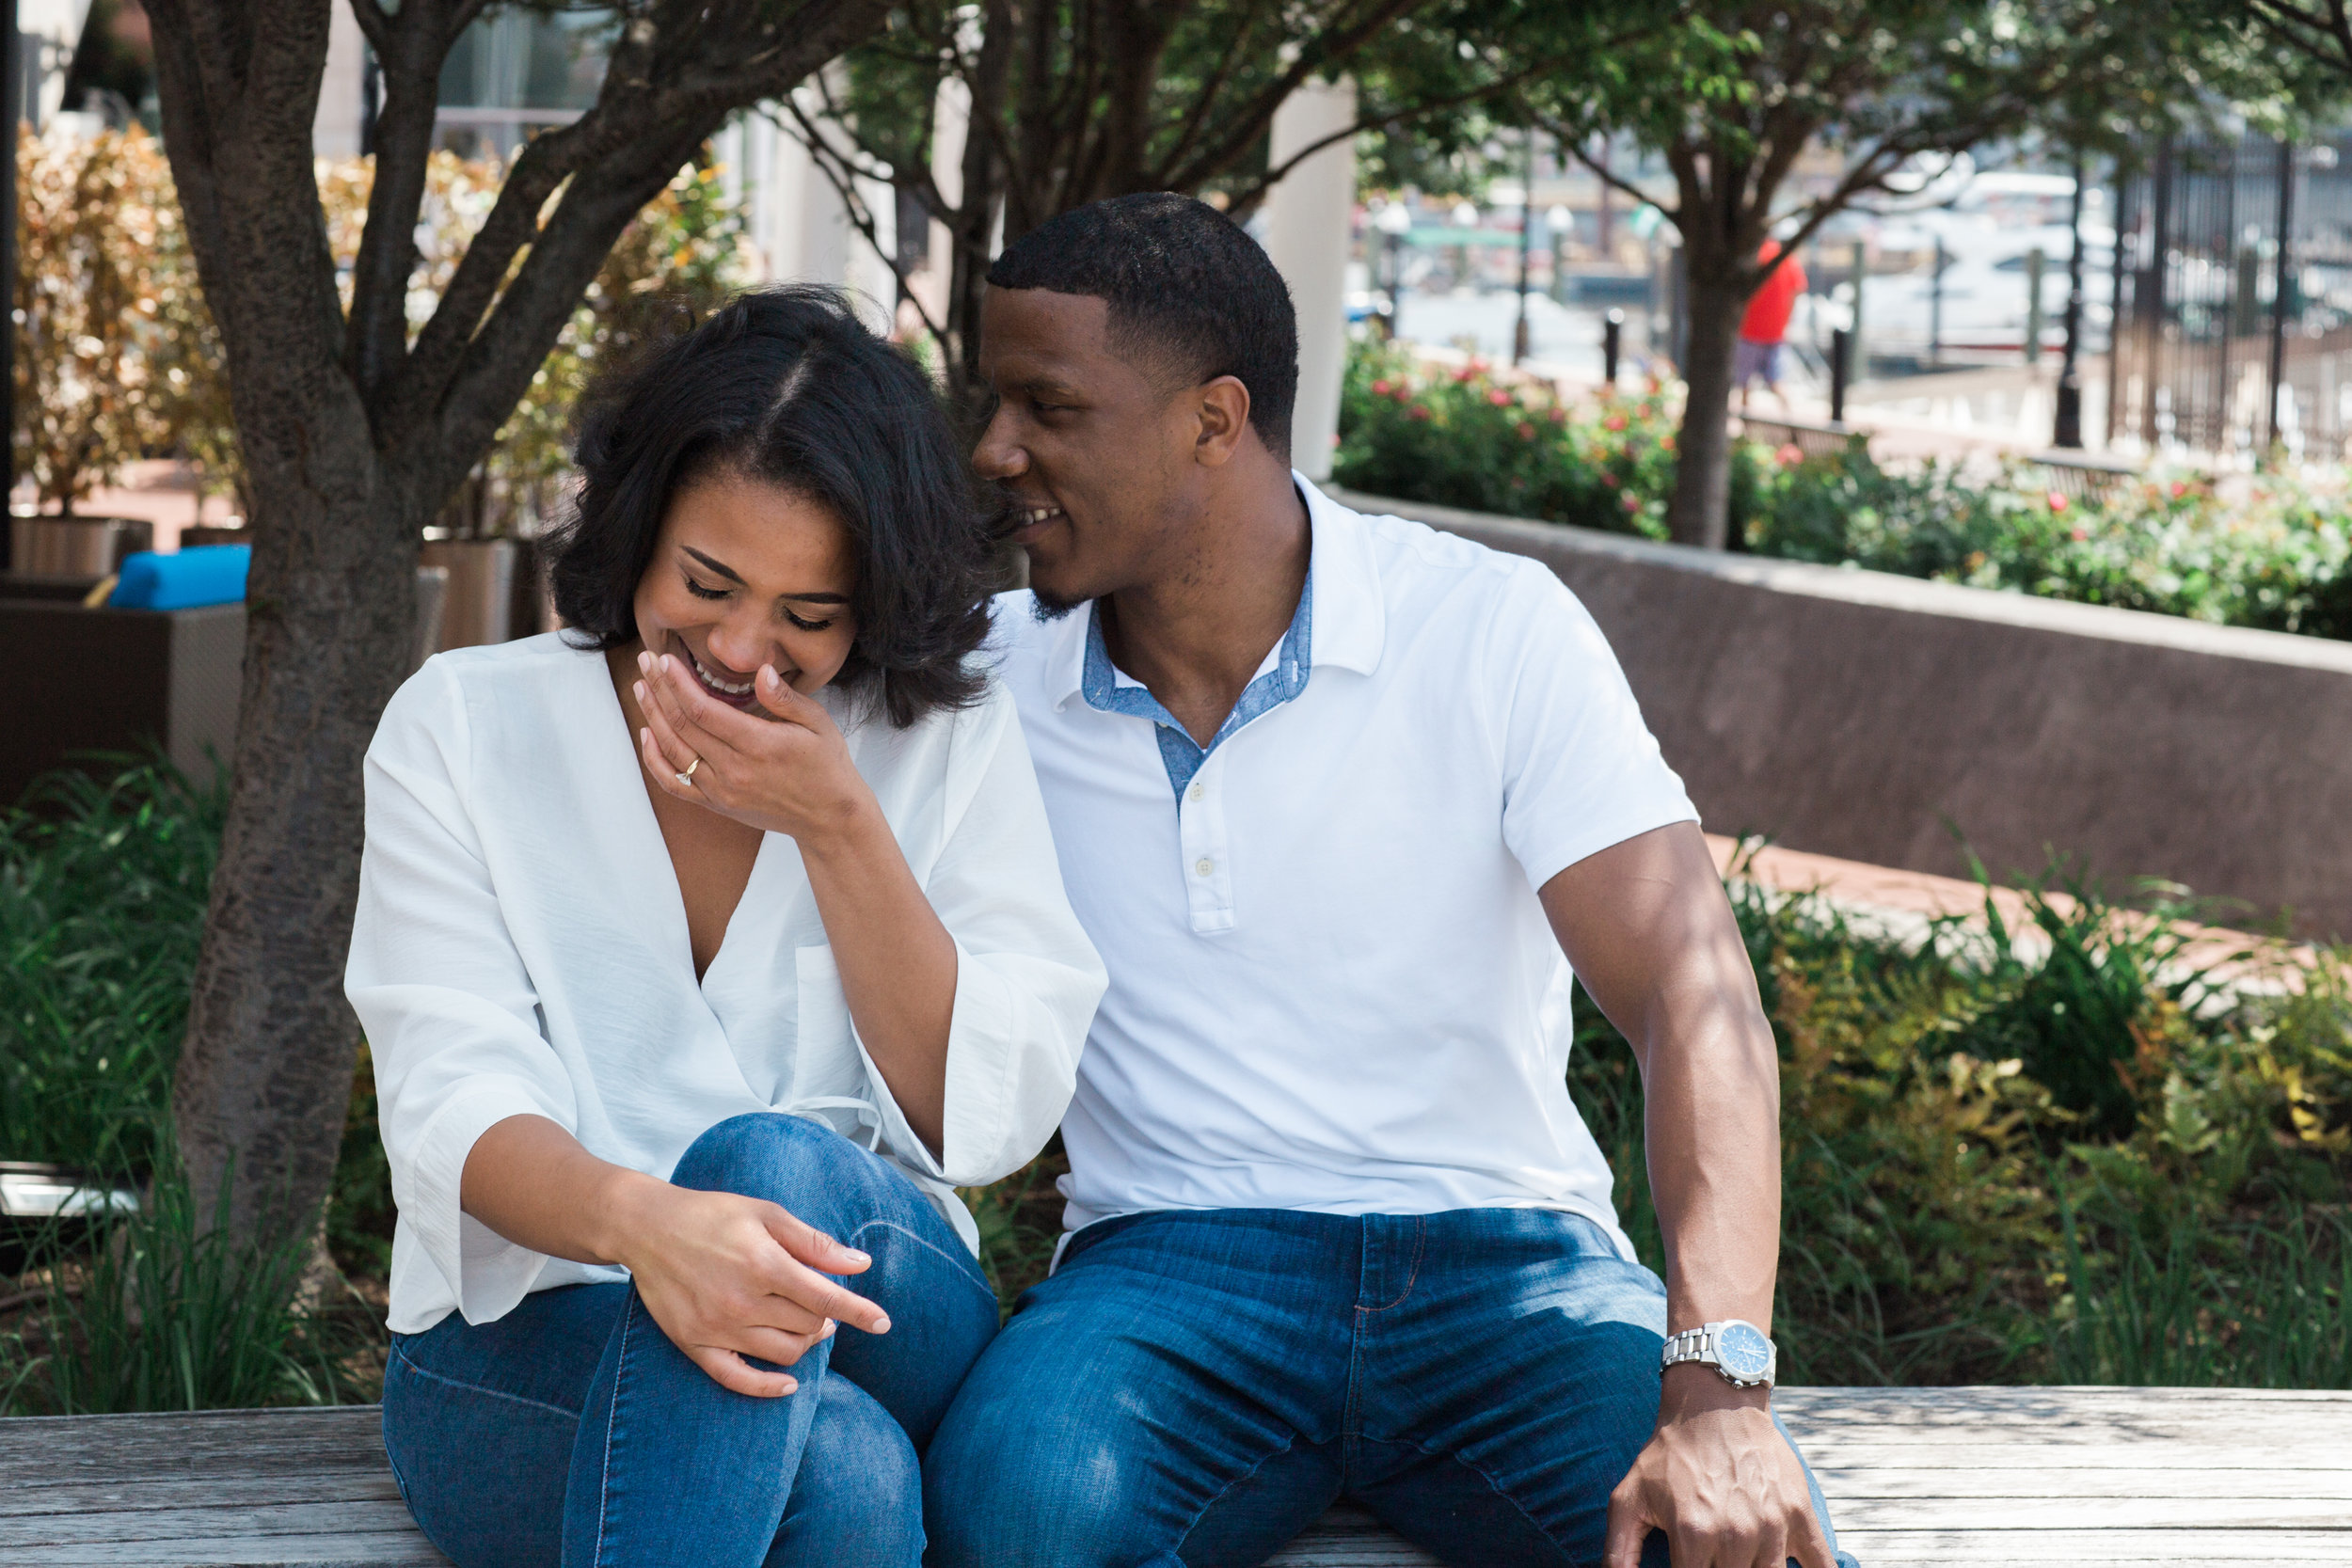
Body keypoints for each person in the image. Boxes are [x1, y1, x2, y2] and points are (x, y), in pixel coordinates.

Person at [923, 194, 1857, 1568]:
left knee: (1727, 1543)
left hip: (1508, 1266)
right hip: (1168, 1267)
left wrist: (1720, 1388)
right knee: (1017, 1515)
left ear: (1214, 418)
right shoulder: (980, 679)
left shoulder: (1488, 627)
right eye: (995, 401)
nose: (998, 450)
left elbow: (1690, 994)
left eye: (1047, 406)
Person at [349, 288, 1106, 1568]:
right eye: (708, 584)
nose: (744, 647)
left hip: (878, 1306)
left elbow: (987, 1118)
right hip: (529, 1337)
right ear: (639, 533)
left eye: (809, 616)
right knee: (849, 1482)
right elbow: (448, 1097)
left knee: (771, 1161)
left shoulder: (936, 745)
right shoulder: (463, 728)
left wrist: (839, 827)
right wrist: (648, 1226)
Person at [1737, 238, 1807, 409]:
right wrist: (1786, 320)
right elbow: (1797, 290)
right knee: (1777, 381)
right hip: (1776, 332)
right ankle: (1790, 421)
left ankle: (1747, 425)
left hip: (1749, 331)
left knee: (1744, 385)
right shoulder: (1788, 259)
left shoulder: (1754, 257)